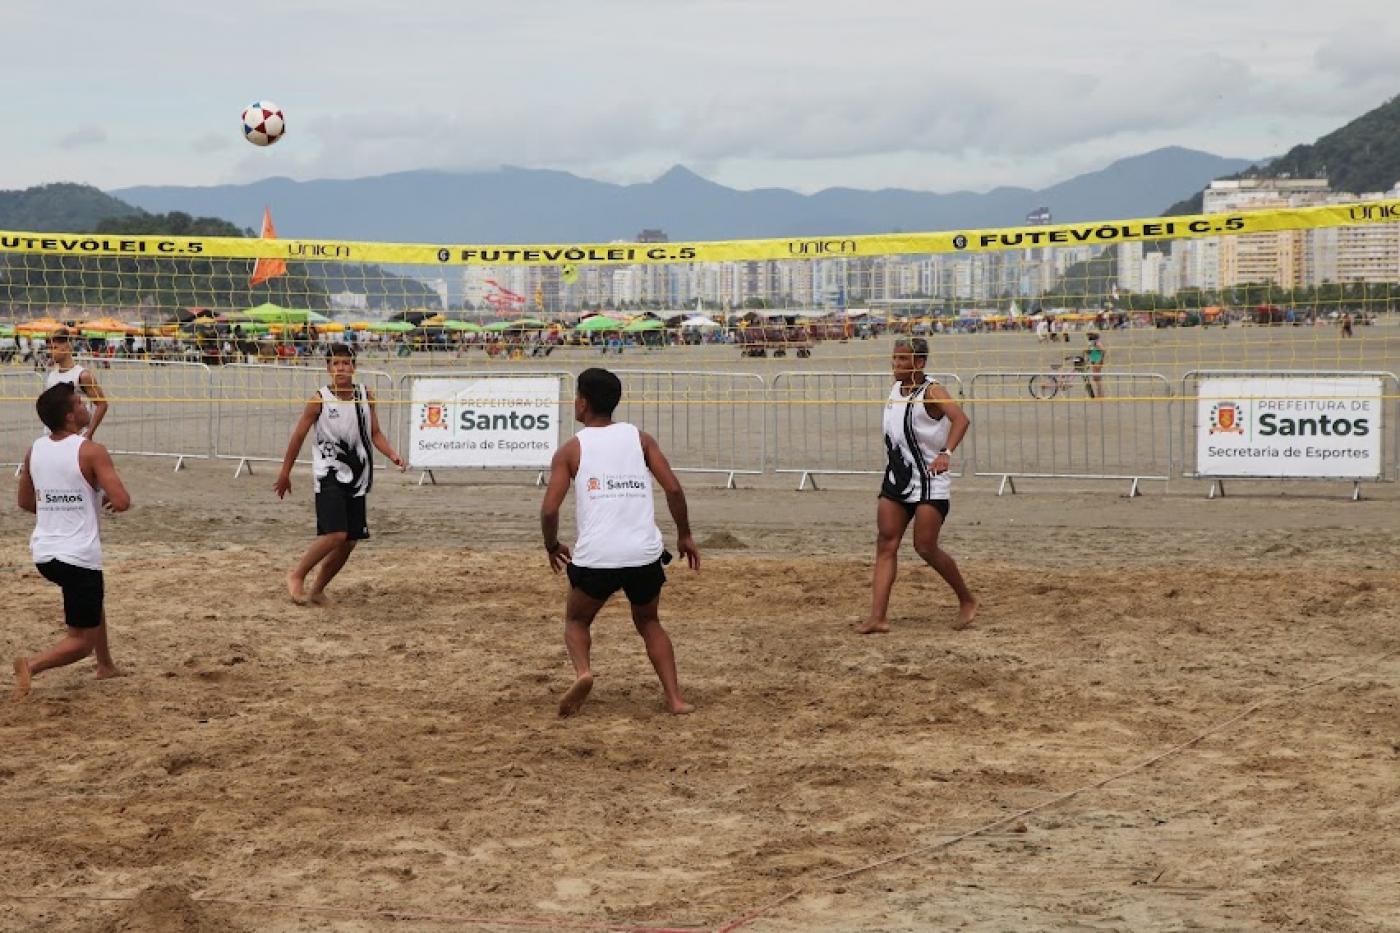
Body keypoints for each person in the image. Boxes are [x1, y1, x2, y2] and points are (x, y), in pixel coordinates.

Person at [540, 368, 699, 718]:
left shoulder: (570, 450)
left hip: (598, 557)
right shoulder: (640, 439)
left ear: (582, 403)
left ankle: (583, 673)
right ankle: (675, 699)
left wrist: (552, 545)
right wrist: (684, 534)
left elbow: (550, 509)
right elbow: (673, 488)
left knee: (577, 621)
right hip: (643, 554)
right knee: (649, 622)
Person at [13, 382, 131, 700]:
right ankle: (31, 666)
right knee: (81, 641)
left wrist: (57, 505)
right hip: (77, 555)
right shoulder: (90, 450)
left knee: (93, 602)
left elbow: (25, 502)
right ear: (69, 416)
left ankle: (105, 666)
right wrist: (103, 497)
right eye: (81, 404)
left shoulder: (34, 449)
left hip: (44, 554)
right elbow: (121, 501)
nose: (87, 407)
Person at [858, 337, 977, 635]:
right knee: (886, 543)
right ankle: (877, 617)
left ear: (920, 363)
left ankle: (967, 599)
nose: (896, 365)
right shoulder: (896, 389)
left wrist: (945, 454)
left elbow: (960, 419)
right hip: (898, 478)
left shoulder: (932, 390)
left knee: (924, 546)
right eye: (894, 359)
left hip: (929, 481)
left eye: (903, 360)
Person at [274, 344, 406, 606]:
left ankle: (318, 590)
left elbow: (375, 433)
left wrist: (392, 454)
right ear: (328, 369)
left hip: (358, 475)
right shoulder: (319, 399)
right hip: (329, 473)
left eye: (346, 363)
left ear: (354, 367)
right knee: (335, 534)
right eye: (336, 363)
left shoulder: (365, 395)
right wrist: (285, 472)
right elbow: (298, 435)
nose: (341, 368)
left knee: (350, 541)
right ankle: (296, 575)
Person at [43, 327, 109, 440]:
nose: (50, 352)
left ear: (66, 348)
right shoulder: (51, 375)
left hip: (75, 437)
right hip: (52, 436)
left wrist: (89, 433)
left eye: (55, 348)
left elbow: (102, 404)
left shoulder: (82, 375)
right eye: (49, 348)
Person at [1086, 332, 1107, 398]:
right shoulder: (1092, 344)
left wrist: (1100, 360)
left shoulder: (1097, 343)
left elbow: (1103, 351)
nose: (1088, 338)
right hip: (1094, 361)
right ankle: (1099, 394)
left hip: (1097, 361)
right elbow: (1091, 353)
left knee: (1097, 378)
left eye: (1089, 336)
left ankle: (1100, 395)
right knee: (1096, 379)